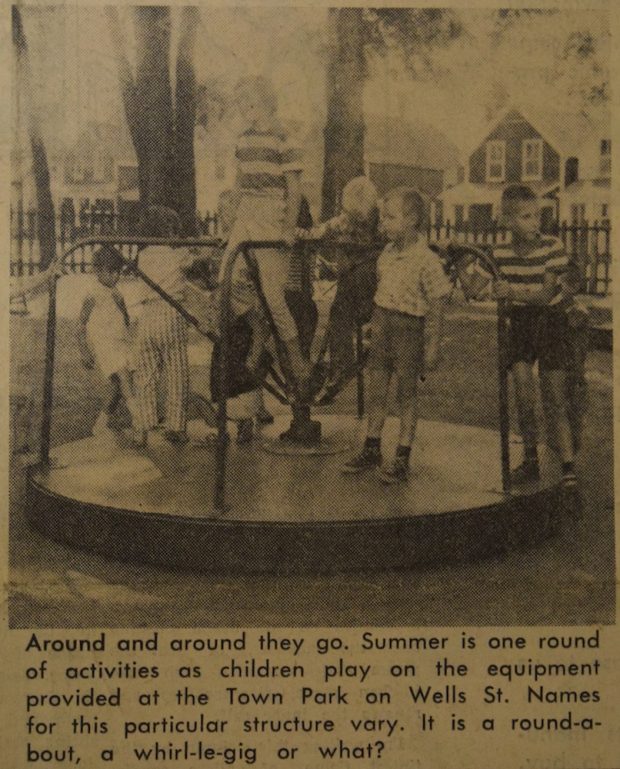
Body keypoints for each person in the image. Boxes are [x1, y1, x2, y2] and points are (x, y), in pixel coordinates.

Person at [342, 187, 451, 483]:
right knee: (377, 391)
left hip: (408, 332)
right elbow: (383, 291)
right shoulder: (386, 255)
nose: (383, 224)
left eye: (391, 218)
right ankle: (372, 447)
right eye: (383, 218)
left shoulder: (426, 260)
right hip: (383, 328)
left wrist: (432, 345)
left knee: (406, 395)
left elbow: (438, 303)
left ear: (412, 219)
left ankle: (402, 454)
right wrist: (373, 326)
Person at [220, 75, 311, 395]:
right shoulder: (243, 140)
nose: (246, 109)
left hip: (273, 211)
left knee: (273, 296)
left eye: (251, 102)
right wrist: (233, 211)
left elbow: (294, 188)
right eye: (242, 103)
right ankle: (259, 331)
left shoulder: (285, 137)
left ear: (267, 102)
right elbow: (239, 181)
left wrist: (287, 227)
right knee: (228, 279)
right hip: (247, 211)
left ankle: (297, 360)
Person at [491, 184, 579, 489]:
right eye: (527, 217)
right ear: (508, 221)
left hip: (549, 322)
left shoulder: (551, 247)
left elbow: (545, 295)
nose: (535, 223)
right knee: (524, 396)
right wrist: (459, 261)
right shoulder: (500, 252)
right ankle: (530, 459)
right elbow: (475, 288)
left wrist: (511, 291)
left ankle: (568, 466)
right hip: (520, 325)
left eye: (537, 215)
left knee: (554, 397)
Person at [299, 176, 384, 404]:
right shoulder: (343, 221)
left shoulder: (383, 223)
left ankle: (357, 352)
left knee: (363, 275)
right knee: (338, 315)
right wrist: (304, 235)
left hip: (374, 286)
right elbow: (320, 232)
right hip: (349, 287)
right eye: (351, 217)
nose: (355, 225)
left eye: (361, 220)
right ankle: (341, 364)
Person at [132, 206, 191, 447]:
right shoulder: (178, 254)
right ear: (169, 232)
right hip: (170, 311)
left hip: (147, 315)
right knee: (176, 369)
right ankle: (175, 425)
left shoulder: (143, 255)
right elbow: (194, 264)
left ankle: (143, 426)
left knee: (145, 372)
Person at [77, 245, 136, 434]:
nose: (115, 276)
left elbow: (125, 319)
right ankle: (139, 418)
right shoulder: (93, 294)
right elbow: (80, 325)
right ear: (98, 271)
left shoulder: (117, 293)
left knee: (118, 386)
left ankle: (101, 423)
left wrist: (124, 312)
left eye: (117, 272)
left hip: (121, 342)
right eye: (110, 272)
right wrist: (84, 350)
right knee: (124, 377)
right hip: (105, 344)